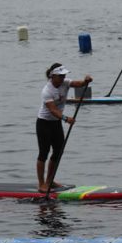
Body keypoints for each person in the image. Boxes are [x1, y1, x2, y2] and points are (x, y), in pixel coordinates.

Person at [36, 63, 92, 193]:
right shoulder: (47, 91)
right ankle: (41, 184)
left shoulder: (65, 82)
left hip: (56, 123)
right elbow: (53, 110)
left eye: (64, 75)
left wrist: (86, 80)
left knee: (58, 152)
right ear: (53, 76)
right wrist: (66, 119)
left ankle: (50, 181)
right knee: (43, 153)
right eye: (60, 76)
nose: (63, 78)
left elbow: (79, 84)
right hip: (44, 123)